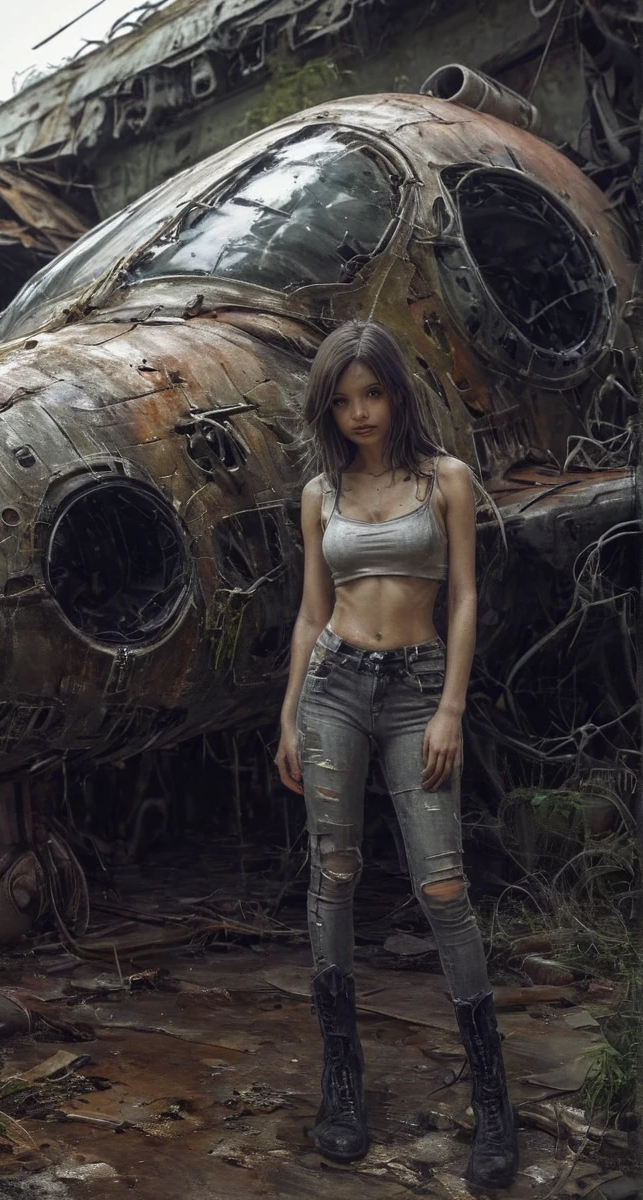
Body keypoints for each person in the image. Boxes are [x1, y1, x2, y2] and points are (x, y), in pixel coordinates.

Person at [274, 320, 518, 1189]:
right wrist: (288, 716)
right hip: (333, 686)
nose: (359, 413)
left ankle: (494, 1101)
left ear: (396, 392)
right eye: (342, 402)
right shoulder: (319, 493)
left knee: (442, 885)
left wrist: (450, 705)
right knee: (333, 871)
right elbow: (311, 610)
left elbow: (462, 598)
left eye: (371, 394)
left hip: (418, 690)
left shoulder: (444, 480)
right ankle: (343, 1086)